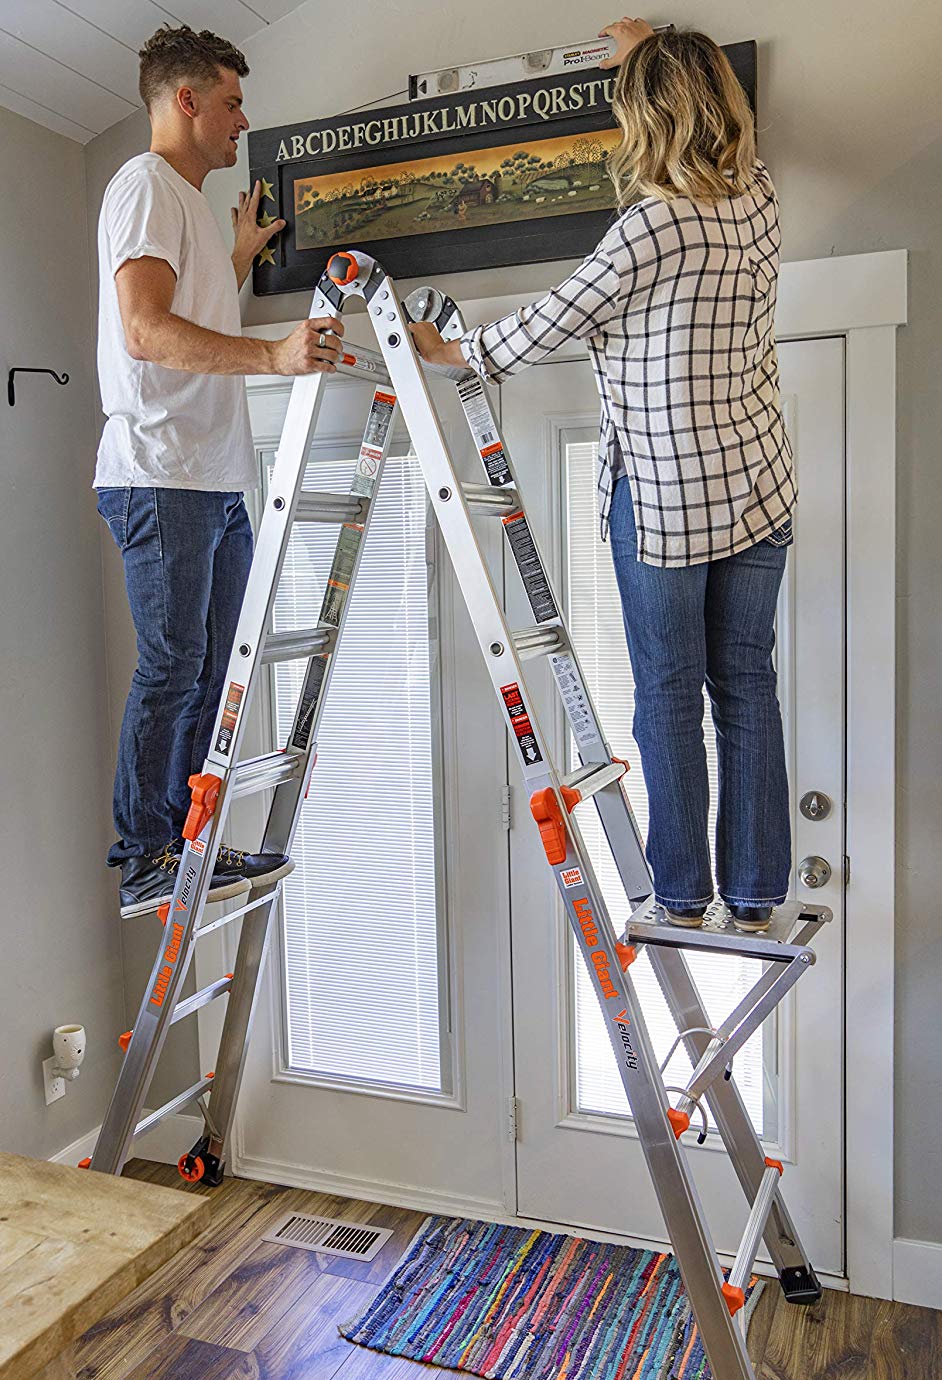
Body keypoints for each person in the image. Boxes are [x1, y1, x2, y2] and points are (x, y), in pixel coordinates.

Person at [412, 18, 796, 934]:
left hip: (667, 503)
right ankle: (753, 894)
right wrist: (656, 43)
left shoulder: (647, 229)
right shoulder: (762, 198)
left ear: (645, 118)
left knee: (668, 690)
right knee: (745, 682)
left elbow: (543, 325)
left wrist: (449, 349)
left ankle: (681, 894)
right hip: (758, 485)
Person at [95, 25, 345, 913]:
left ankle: (188, 844)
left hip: (208, 476)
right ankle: (146, 856)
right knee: (173, 666)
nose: (245, 119)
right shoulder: (143, 187)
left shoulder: (186, 206)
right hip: (161, 473)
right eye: (232, 100)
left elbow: (185, 310)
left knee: (212, 669)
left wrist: (235, 256)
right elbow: (145, 332)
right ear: (186, 100)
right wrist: (274, 359)